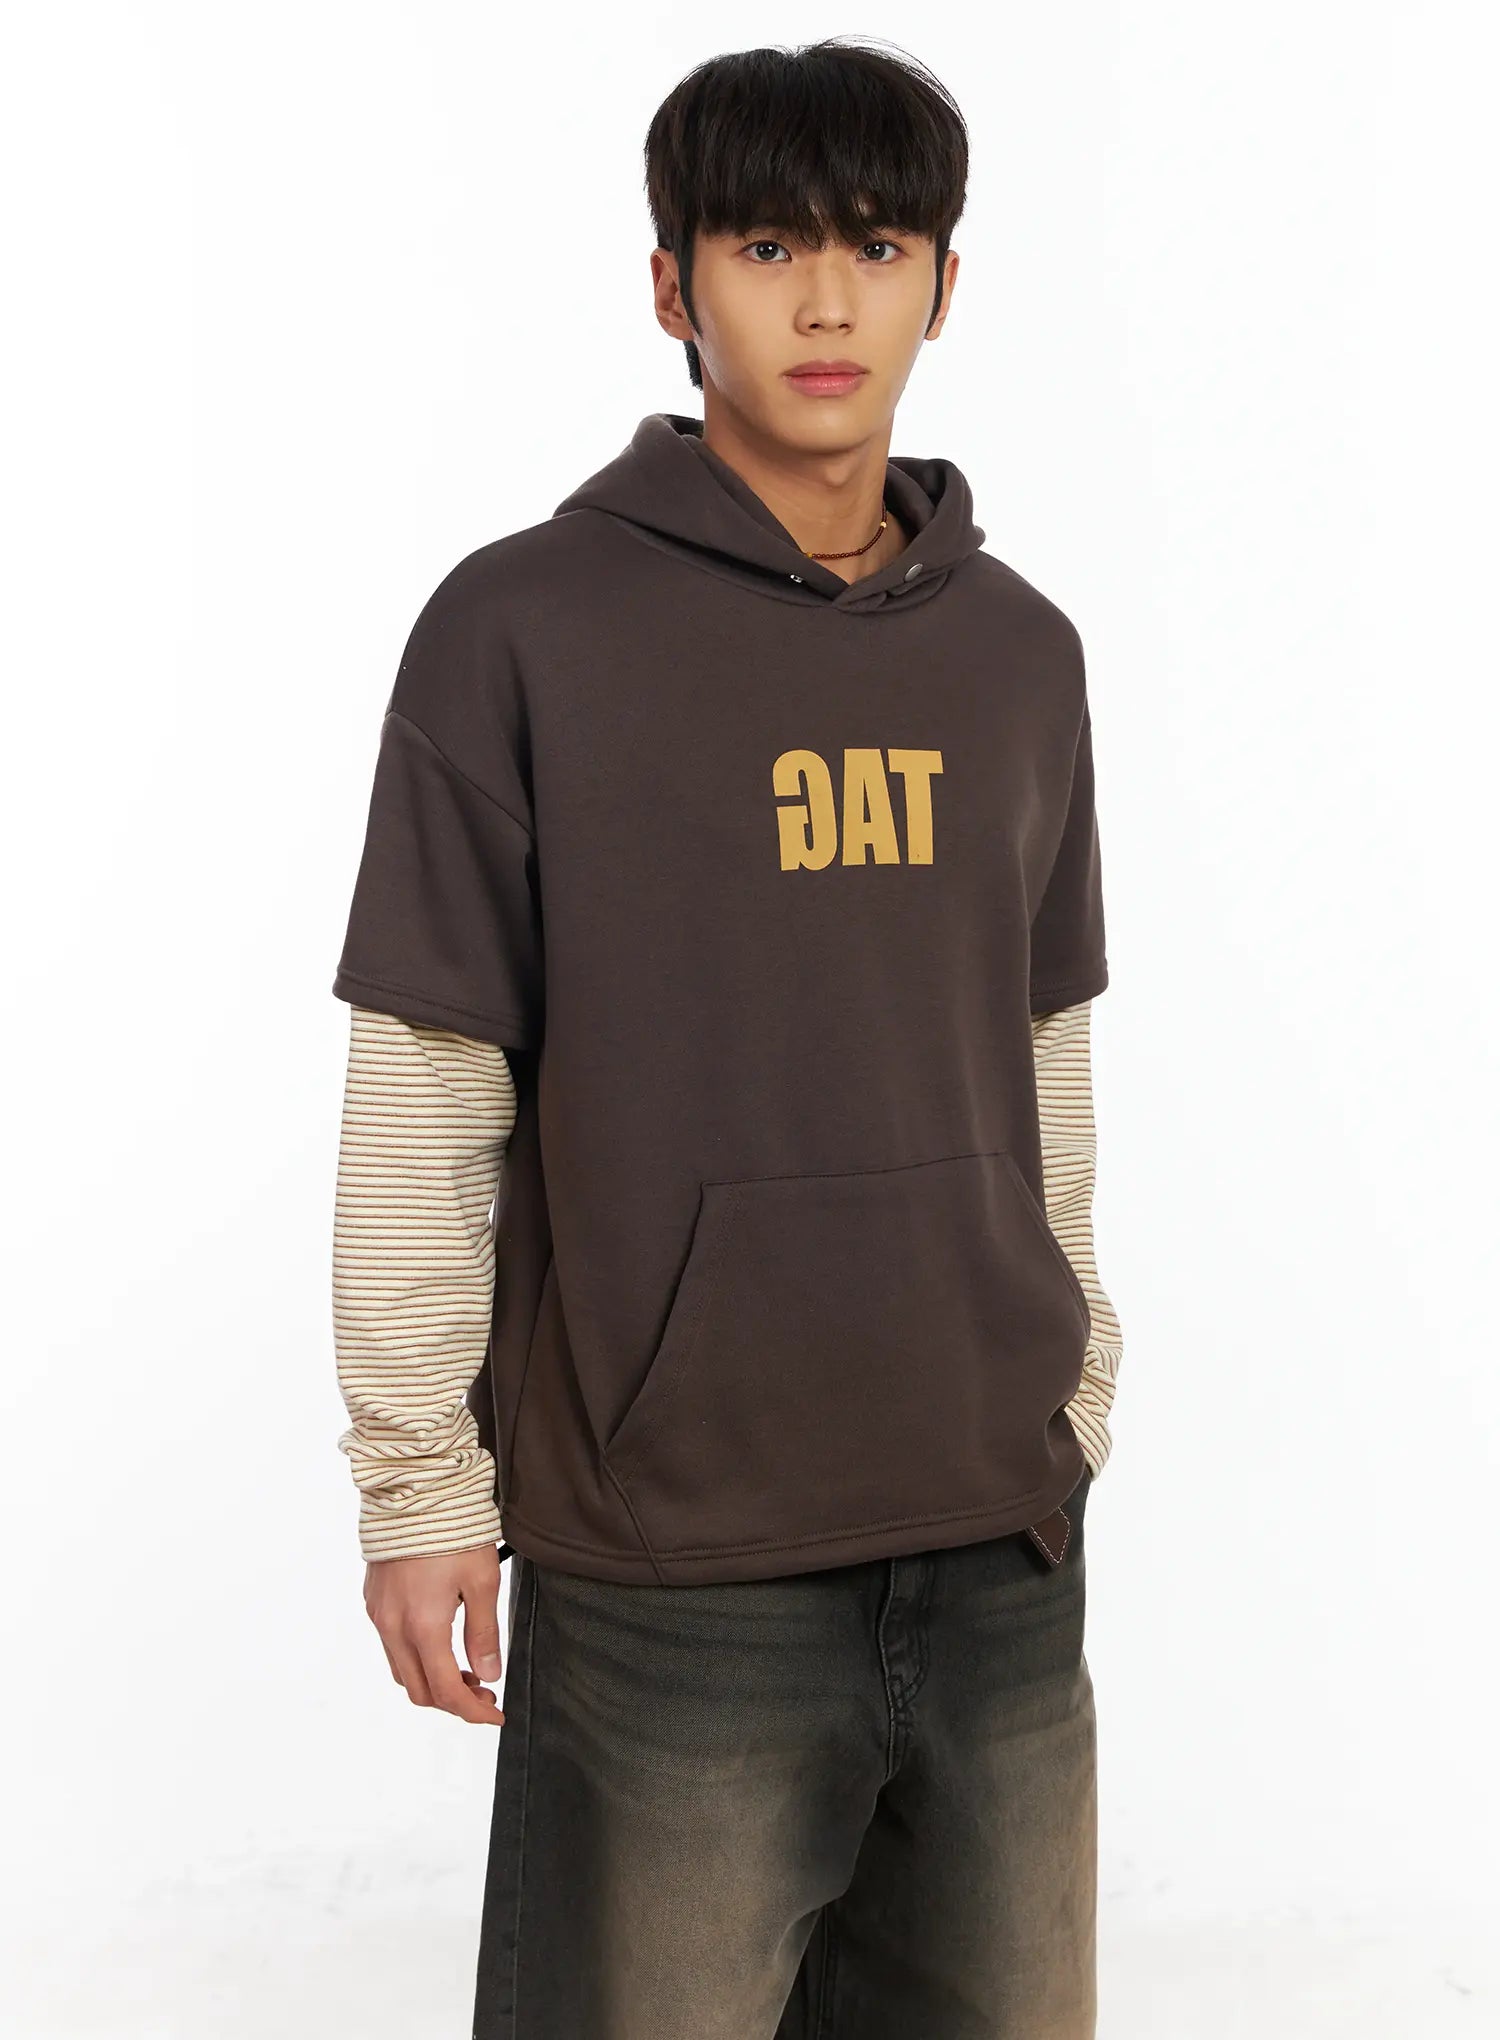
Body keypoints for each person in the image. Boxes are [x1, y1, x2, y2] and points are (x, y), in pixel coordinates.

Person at [330, 36, 1123, 2040]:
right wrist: (420, 1488)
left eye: (879, 246)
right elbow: (429, 1082)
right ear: (673, 286)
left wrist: (1076, 1384)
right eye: (768, 248)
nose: (829, 302)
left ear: (948, 280)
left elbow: (1042, 1055)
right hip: (672, 1573)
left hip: (996, 1546)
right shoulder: (520, 632)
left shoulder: (1021, 657)